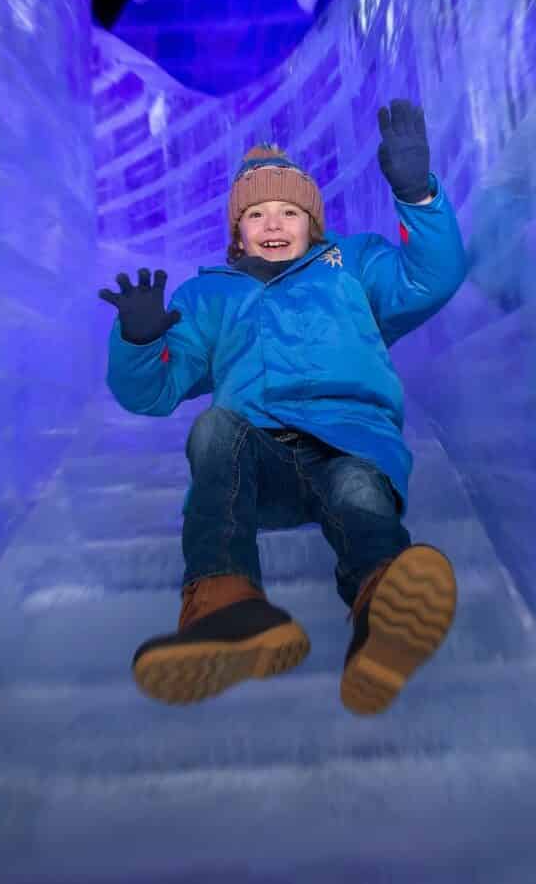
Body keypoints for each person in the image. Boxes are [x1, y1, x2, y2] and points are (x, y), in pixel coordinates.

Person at [99, 99, 468, 715]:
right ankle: (226, 607)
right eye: (258, 213)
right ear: (236, 230)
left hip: (350, 437)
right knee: (214, 429)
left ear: (313, 223)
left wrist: (418, 197)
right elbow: (152, 391)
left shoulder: (352, 266)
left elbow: (431, 279)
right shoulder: (209, 295)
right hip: (257, 458)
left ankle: (383, 614)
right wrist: (139, 342)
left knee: (357, 492)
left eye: (291, 211)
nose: (275, 222)